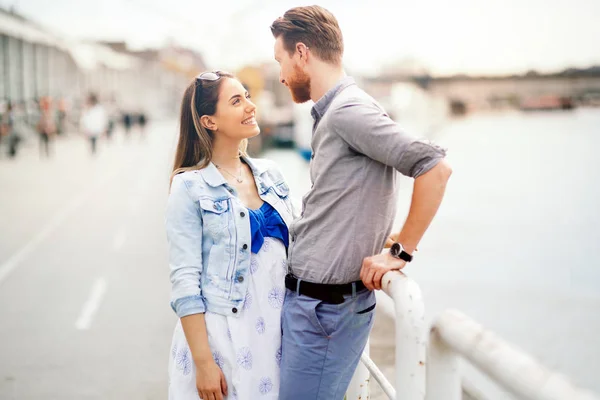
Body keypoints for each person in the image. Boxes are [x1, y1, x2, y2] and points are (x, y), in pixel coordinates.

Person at [270, 6, 453, 399]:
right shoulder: (336, 111)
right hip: (316, 310)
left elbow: (434, 168)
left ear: (302, 53)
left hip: (324, 315)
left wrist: (401, 251)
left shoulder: (347, 111)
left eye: (280, 61)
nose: (280, 75)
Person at [166, 71, 296, 400]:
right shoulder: (189, 186)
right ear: (209, 121)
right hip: (222, 337)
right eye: (237, 101)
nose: (250, 106)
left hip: (277, 337)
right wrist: (204, 363)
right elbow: (185, 280)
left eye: (247, 96)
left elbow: (303, 240)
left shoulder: (272, 173)